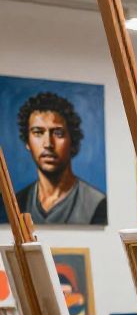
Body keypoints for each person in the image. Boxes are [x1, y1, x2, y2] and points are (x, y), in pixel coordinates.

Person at [15, 92, 107, 225]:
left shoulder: (97, 204)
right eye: (38, 132)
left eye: (58, 133)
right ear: (27, 142)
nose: (48, 144)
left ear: (72, 140)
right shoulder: (15, 204)